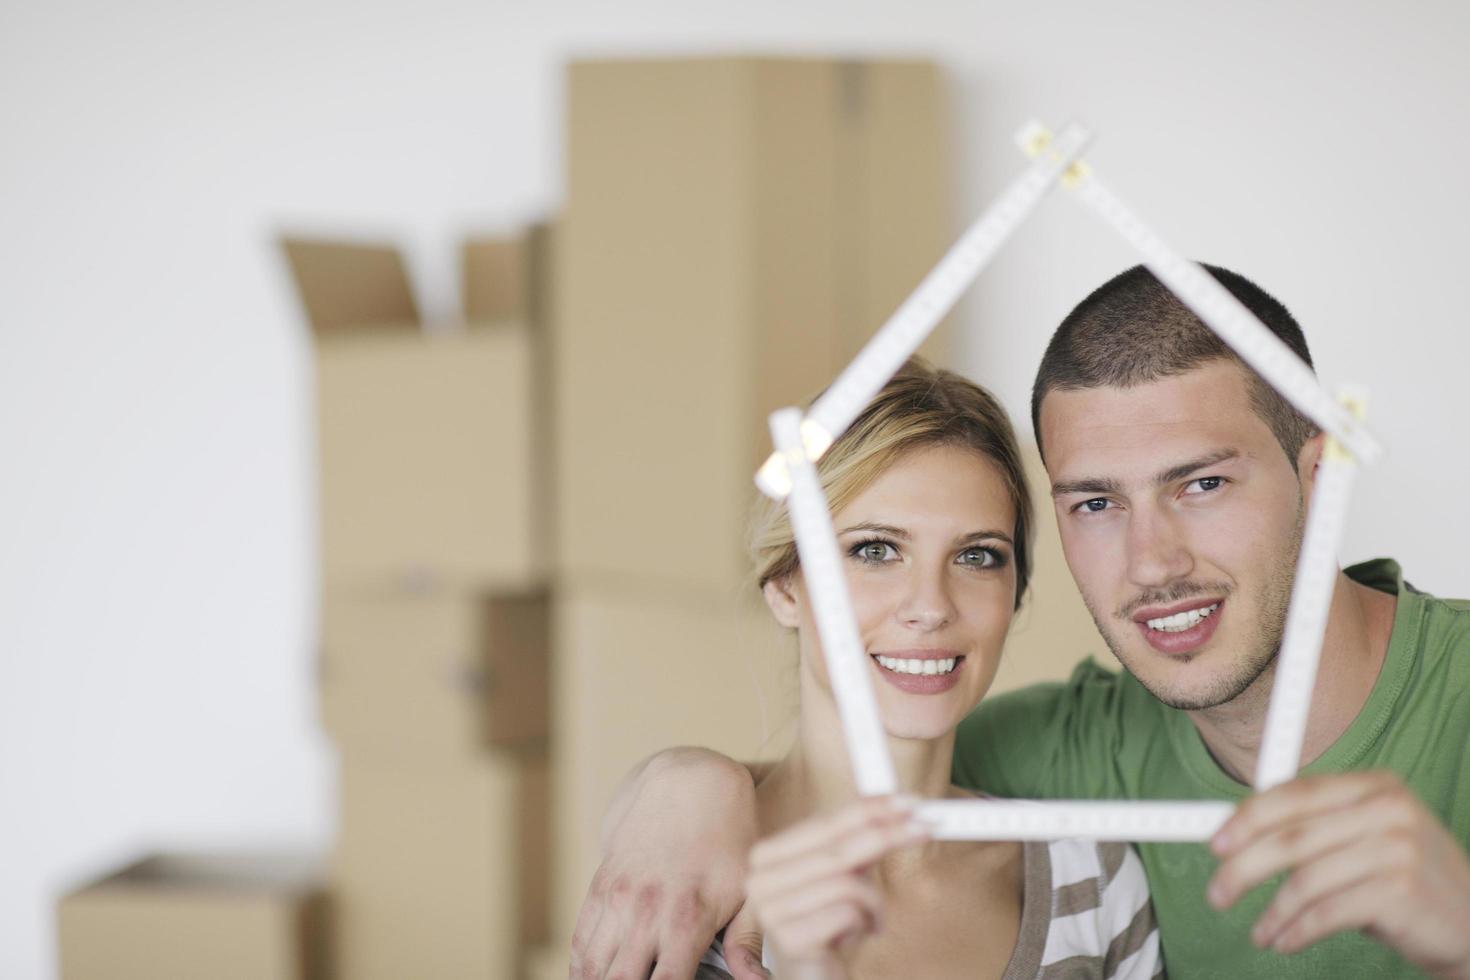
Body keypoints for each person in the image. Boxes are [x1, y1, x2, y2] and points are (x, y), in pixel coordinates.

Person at [572, 265, 1470, 979]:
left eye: (1202, 484)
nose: (1153, 562)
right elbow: (860, 777)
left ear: (1320, 475)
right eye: (1094, 502)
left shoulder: (1079, 855)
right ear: (784, 583)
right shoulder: (1057, 761)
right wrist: (686, 784)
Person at [583, 361, 1163, 979]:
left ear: (1014, 591)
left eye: (976, 555)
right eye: (874, 550)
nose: (931, 607)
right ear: (784, 588)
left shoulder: (1093, 878)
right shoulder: (684, 880)